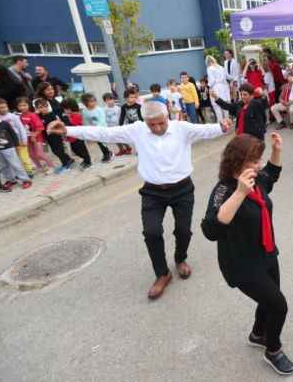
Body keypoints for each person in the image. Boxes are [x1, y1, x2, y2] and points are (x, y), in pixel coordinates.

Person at [47, 101, 232, 300]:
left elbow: (207, 130)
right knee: (151, 233)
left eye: (161, 123)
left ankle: (180, 259)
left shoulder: (182, 129)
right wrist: (68, 129)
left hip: (183, 190)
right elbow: (104, 133)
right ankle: (162, 274)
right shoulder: (136, 130)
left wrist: (222, 126)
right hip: (152, 192)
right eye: (152, 125)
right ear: (145, 121)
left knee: (183, 230)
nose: (157, 128)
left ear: (167, 116)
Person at [201, 132, 293, 375]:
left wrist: (277, 150)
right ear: (236, 161)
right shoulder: (224, 189)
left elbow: (271, 176)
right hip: (241, 263)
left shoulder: (256, 177)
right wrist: (240, 192)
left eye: (259, 159)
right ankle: (273, 350)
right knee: (279, 305)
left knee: (269, 299)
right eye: (253, 161)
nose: (259, 165)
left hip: (266, 253)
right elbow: (211, 230)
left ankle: (258, 333)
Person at [0, 104, 31, 190]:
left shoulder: (5, 123)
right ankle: (11, 179)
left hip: (9, 148)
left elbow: (13, 134)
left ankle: (25, 179)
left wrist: (17, 145)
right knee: (3, 166)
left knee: (15, 164)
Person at [0, 98, 34, 176]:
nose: (4, 109)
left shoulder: (13, 116)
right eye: (1, 107)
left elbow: (21, 128)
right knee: (14, 159)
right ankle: (19, 172)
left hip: (19, 141)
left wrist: (24, 140)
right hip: (9, 143)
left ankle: (29, 170)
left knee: (24, 157)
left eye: (5, 107)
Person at [17, 97, 54, 175]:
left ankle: (51, 166)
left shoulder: (33, 115)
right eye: (20, 105)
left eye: (24, 105)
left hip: (37, 138)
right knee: (31, 154)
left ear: (28, 105)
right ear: (18, 107)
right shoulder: (20, 116)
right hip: (27, 138)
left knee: (40, 153)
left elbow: (40, 127)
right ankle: (39, 167)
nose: (22, 107)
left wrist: (34, 135)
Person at [35, 99, 73, 173]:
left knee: (59, 150)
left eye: (45, 106)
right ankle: (68, 160)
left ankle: (66, 162)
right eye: (40, 107)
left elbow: (57, 124)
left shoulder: (51, 114)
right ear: (37, 109)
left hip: (55, 135)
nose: (43, 108)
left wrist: (59, 133)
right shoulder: (39, 116)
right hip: (48, 137)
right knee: (54, 151)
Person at [60, 98, 93, 170]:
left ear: (71, 107)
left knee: (82, 150)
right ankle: (85, 159)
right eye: (64, 109)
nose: (65, 111)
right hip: (71, 137)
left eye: (66, 109)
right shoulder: (68, 115)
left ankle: (88, 161)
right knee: (75, 151)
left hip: (78, 137)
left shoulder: (76, 115)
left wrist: (67, 119)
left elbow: (74, 124)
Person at [80, 94, 113, 163]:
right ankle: (107, 153)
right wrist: (88, 129)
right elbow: (86, 121)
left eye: (94, 101)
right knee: (99, 143)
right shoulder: (85, 111)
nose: (94, 103)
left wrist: (98, 127)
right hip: (94, 130)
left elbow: (102, 119)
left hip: (102, 128)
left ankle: (108, 153)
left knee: (103, 142)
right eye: (91, 101)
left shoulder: (99, 109)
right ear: (85, 103)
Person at [206, 55, 229, 122]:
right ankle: (227, 121)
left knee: (216, 106)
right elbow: (225, 78)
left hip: (215, 87)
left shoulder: (209, 68)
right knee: (224, 105)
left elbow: (212, 80)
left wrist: (208, 86)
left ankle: (221, 123)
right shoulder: (221, 67)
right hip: (223, 87)